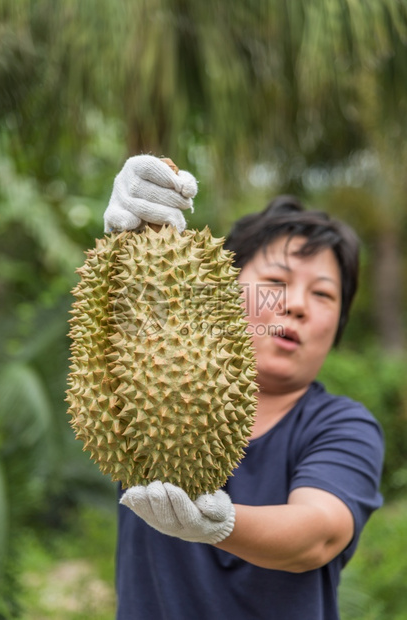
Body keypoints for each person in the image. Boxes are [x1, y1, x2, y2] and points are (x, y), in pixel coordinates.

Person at [104, 155, 384, 620]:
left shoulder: (343, 425)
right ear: (225, 291)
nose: (295, 305)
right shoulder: (150, 386)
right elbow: (140, 308)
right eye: (276, 282)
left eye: (323, 294)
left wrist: (218, 524)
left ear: (338, 326)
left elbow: (318, 533)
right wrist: (134, 229)